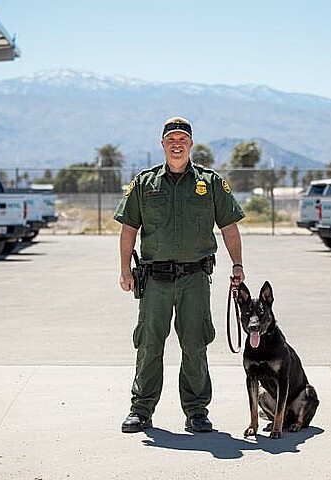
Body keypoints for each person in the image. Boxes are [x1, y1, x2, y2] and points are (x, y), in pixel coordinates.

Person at [114, 116, 245, 433]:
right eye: (170, 139)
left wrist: (237, 265)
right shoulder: (144, 184)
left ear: (190, 144)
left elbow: (229, 226)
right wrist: (123, 270)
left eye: (182, 139)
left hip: (195, 279)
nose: (176, 144)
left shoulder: (211, 183)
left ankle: (197, 410)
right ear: (162, 144)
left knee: (195, 344)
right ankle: (141, 409)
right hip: (154, 280)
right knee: (148, 345)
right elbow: (129, 228)